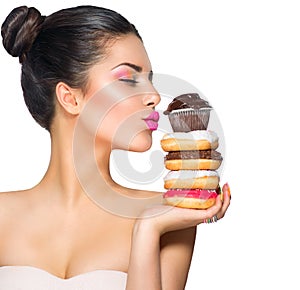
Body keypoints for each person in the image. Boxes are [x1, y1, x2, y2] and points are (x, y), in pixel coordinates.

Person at [0, 5, 231, 290]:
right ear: (70, 98)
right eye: (128, 79)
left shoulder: (169, 216)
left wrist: (147, 229)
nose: (154, 96)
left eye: (150, 79)